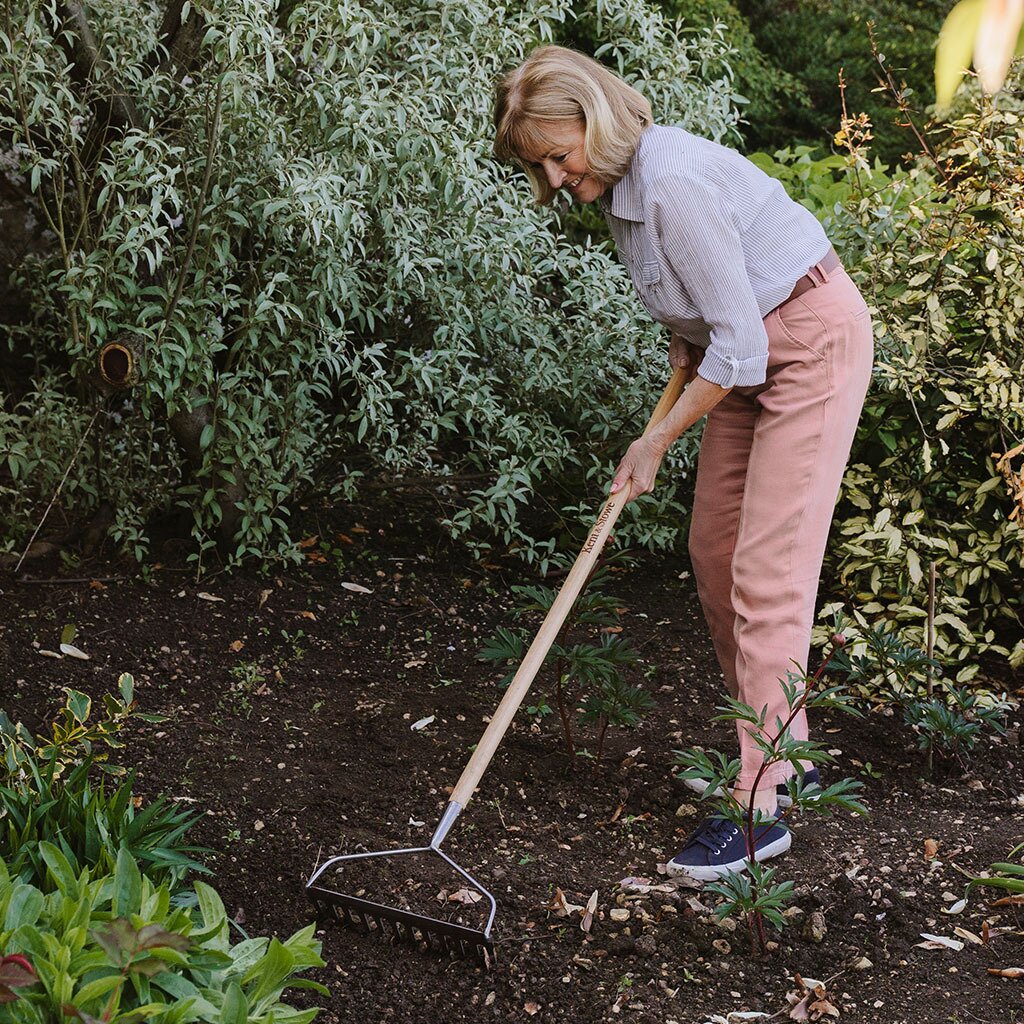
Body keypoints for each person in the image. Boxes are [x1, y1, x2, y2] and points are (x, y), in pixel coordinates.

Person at [493, 45, 873, 882]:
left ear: (595, 119)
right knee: (714, 553)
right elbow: (705, 307)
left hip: (806, 344)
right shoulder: (618, 189)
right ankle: (785, 752)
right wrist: (681, 338)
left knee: (767, 575)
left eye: (558, 155)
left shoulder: (670, 182)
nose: (552, 178)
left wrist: (655, 441)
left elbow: (740, 344)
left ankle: (761, 805)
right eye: (537, 165)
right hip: (741, 353)